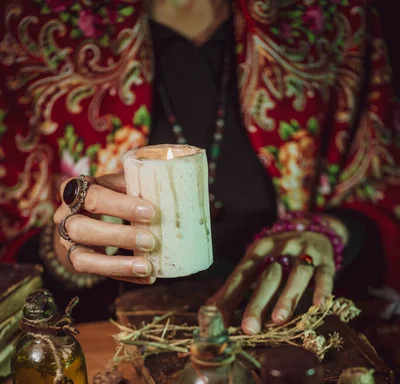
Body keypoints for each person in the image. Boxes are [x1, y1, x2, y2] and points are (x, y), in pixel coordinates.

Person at [1, 0, 399, 331]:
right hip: (114, 350)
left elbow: (383, 194)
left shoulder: (335, 21)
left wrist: (333, 232)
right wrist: (63, 250)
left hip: (288, 339)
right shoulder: (33, 34)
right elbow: (12, 251)